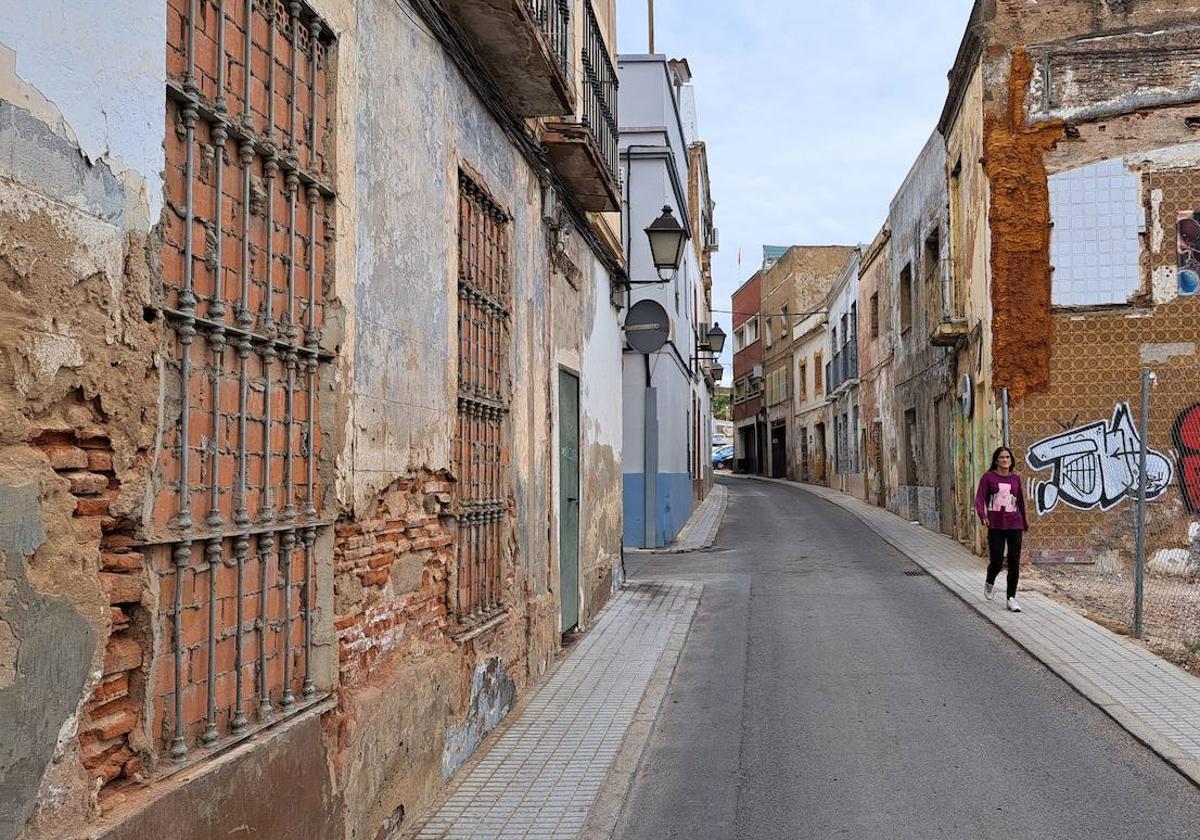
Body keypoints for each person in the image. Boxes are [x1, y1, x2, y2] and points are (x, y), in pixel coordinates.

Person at [974, 446, 1029, 612]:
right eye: (1002, 457)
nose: (1005, 460)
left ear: (1011, 461)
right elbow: (979, 499)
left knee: (1014, 562)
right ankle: (990, 580)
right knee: (997, 561)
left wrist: (1024, 523)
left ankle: (1011, 598)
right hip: (996, 525)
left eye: (1008, 458)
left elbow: (1020, 502)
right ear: (996, 460)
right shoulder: (988, 478)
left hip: (1014, 524)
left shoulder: (1016, 479)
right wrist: (983, 516)